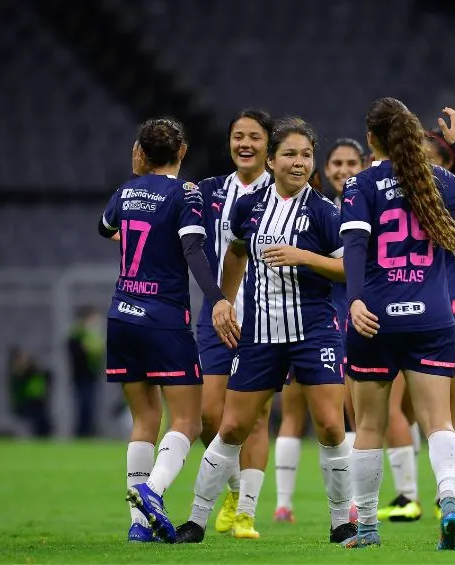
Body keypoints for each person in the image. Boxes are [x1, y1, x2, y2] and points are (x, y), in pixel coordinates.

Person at [174, 118, 357, 545]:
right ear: (271, 159)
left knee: (331, 426)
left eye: (306, 155)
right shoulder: (247, 207)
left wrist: (304, 257)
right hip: (259, 333)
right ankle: (196, 521)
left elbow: (351, 267)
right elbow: (236, 253)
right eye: (290, 154)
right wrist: (223, 301)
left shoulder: (325, 213)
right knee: (231, 426)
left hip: (314, 332)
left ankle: (341, 523)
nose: (299, 162)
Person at [340, 99, 455, 550]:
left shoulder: (359, 184)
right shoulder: (434, 179)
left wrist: (354, 302)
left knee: (368, 424)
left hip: (376, 319)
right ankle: (449, 504)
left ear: (371, 139)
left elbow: (354, 248)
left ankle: (366, 528)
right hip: (432, 316)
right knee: (438, 419)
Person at [98, 118, 228, 543]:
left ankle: (138, 529)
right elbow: (193, 248)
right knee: (188, 420)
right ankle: (150, 493)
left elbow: (105, 228)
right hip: (163, 319)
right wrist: (218, 296)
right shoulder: (184, 194)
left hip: (121, 316)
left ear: (140, 152)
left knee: (144, 420)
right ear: (183, 152)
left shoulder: (125, 191)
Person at [274, 138, 365, 524]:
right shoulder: (315, 210)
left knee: (352, 413)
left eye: (351, 163)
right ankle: (283, 503)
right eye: (336, 163)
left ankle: (358, 501)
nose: (343, 170)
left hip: (358, 317)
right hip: (314, 319)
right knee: (295, 412)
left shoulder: (367, 205)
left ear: (364, 166)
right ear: (324, 171)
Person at [195, 109, 274, 538]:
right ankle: (231, 489)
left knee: (255, 418)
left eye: (254, 137)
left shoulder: (284, 191)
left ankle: (245, 512)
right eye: (238, 136)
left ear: (268, 143)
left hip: (264, 315)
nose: (245, 143)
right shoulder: (209, 191)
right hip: (217, 312)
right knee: (211, 415)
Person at [67, 306, 103, 438]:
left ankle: (88, 432)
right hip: (82, 376)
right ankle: (83, 433)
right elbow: (79, 350)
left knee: (89, 406)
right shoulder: (78, 334)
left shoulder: (89, 334)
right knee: (84, 406)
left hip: (91, 376)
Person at [8, 347, 52, 438]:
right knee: (37, 421)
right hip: (26, 404)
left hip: (38, 402)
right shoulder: (18, 375)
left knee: (44, 423)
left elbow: (48, 376)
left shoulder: (36, 372)